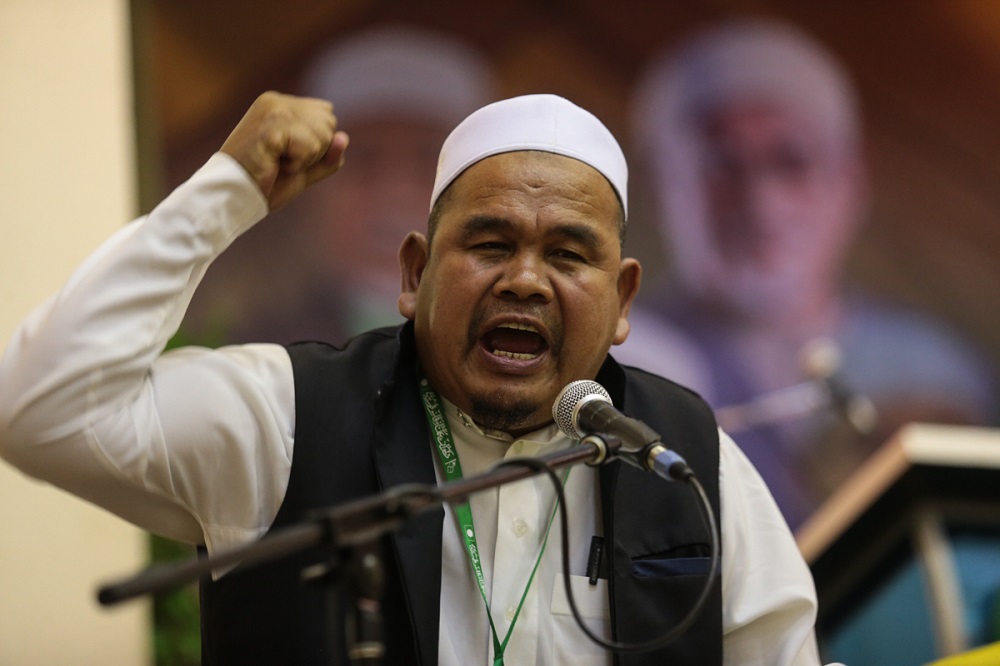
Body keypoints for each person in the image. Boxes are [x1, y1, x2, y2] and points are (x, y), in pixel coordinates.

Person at [0, 91, 827, 664]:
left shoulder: (684, 460)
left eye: (569, 255)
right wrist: (225, 194)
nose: (526, 281)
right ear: (415, 273)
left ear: (623, 300)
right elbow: (36, 408)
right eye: (490, 244)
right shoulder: (287, 417)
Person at [616, 19, 998, 530]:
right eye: (722, 165)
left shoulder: (935, 370)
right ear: (659, 186)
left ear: (849, 179)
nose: (760, 200)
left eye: (790, 160)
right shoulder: (621, 368)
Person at [181, 25, 496, 345]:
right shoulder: (254, 348)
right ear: (311, 188)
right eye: (365, 158)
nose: (396, 192)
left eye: (429, 161)